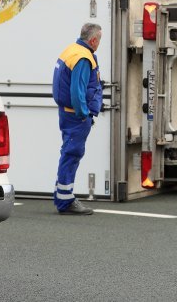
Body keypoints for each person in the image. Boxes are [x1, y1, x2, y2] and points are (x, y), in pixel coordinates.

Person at [52, 22, 103, 215]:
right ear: (93, 40)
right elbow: (77, 90)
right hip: (76, 116)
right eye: (99, 39)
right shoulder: (83, 57)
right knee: (72, 154)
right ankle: (65, 201)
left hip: (67, 113)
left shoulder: (72, 50)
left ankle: (61, 194)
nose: (99, 43)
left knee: (68, 152)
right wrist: (84, 114)